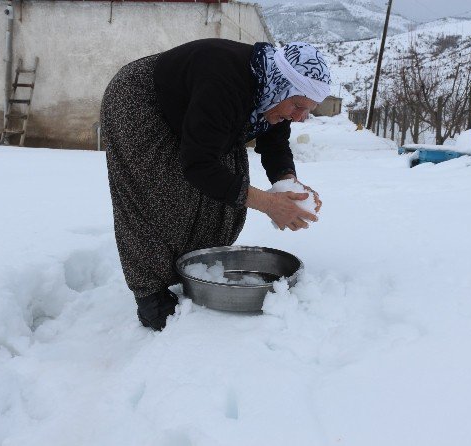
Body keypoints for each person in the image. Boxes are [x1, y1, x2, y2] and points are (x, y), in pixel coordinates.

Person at [100, 38, 331, 331]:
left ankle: (193, 268)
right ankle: (149, 293)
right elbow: (199, 165)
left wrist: (289, 185)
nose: (300, 117)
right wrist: (269, 204)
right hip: (141, 101)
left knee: (228, 185)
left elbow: (275, 144)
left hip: (197, 110)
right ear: (282, 84)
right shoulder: (225, 82)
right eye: (298, 106)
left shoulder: (276, 89)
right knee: (155, 194)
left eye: (308, 110)